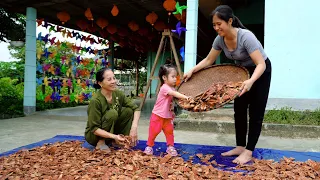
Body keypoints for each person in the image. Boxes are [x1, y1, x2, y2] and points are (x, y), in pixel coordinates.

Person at [184, 5, 272, 164]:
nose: (216, 28)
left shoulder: (246, 37)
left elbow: (261, 64)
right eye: (214, 25)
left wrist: (251, 81)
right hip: (240, 72)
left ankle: (248, 151)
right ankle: (240, 146)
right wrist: (192, 70)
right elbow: (209, 60)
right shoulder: (219, 40)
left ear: (230, 21)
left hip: (260, 72)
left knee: (255, 113)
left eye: (219, 24)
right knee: (239, 109)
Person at [85, 68, 141, 152]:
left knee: (128, 111)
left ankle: (122, 140)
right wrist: (114, 136)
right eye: (109, 79)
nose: (113, 81)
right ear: (100, 83)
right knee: (112, 113)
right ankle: (101, 142)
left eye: (114, 78)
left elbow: (136, 108)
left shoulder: (118, 94)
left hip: (111, 131)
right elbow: (94, 129)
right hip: (94, 136)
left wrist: (134, 128)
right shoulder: (95, 101)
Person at [144, 64, 190, 156]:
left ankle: (170, 147)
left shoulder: (172, 88)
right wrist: (186, 98)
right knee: (153, 132)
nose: (175, 79)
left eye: (175, 77)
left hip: (168, 116)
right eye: (172, 77)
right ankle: (149, 146)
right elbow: (174, 93)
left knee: (169, 132)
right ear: (164, 77)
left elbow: (174, 98)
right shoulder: (164, 87)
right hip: (158, 115)